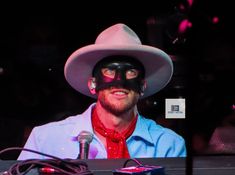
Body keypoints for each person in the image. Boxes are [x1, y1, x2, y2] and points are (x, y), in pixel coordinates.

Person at [18, 23, 186, 160]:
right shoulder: (46, 140)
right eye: (109, 72)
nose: (120, 82)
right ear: (93, 84)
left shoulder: (168, 145)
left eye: (131, 72)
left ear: (142, 86)